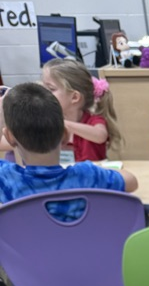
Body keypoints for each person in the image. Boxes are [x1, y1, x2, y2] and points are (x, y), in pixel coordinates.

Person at [0, 82, 137, 221]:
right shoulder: (87, 175)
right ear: (65, 135)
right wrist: (98, 169)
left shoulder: (6, 178)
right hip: (86, 243)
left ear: (9, 137)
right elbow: (131, 181)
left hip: (27, 243)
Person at [41, 58, 123, 161]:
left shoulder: (93, 120)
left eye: (51, 89)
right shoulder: (47, 121)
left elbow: (100, 136)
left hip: (91, 175)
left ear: (74, 97)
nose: (43, 94)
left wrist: (64, 124)